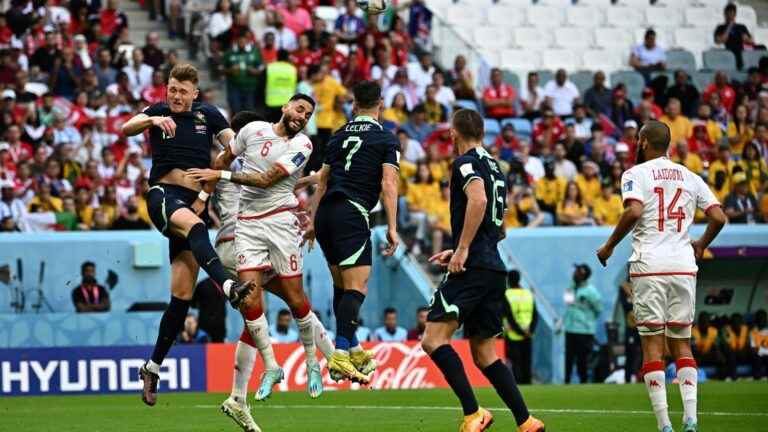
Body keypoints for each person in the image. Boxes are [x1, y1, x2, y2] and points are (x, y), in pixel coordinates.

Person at [121, 64, 253, 407]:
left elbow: (233, 147)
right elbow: (126, 128)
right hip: (163, 197)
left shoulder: (209, 115)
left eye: (182, 91)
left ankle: (151, 366)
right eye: (172, 89)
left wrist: (213, 186)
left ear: (196, 93)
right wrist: (150, 120)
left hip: (193, 204)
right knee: (197, 229)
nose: (175, 97)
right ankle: (228, 286)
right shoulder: (158, 111)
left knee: (181, 297)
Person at [187, 94, 327, 402]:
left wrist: (201, 197)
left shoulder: (295, 146)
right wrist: (206, 189)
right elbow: (246, 174)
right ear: (284, 107)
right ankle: (322, 357)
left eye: (307, 113)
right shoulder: (243, 157)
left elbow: (268, 180)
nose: (303, 115)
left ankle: (307, 363)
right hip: (240, 235)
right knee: (277, 304)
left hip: (258, 233)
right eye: (299, 108)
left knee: (267, 307)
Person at [597, 120, 728, 432]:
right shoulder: (690, 175)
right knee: (682, 343)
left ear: (642, 142)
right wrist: (700, 245)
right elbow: (719, 217)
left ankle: (665, 425)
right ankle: (692, 419)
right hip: (683, 266)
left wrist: (608, 246)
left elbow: (633, 211)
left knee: (652, 346)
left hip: (650, 266)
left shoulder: (635, 174)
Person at [422, 109, 544, 432]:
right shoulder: (497, 167)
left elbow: (477, 201)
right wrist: (466, 244)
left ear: (453, 132)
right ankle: (526, 421)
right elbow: (499, 228)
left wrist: (463, 248)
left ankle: (474, 412)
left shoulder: (465, 162)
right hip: (493, 266)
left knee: (433, 339)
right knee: (485, 353)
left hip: (474, 264)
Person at [303, 80, 400, 384]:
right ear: (379, 105)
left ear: (354, 105)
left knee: (342, 286)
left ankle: (353, 346)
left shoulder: (336, 136)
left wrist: (312, 220)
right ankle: (340, 353)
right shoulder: (385, 138)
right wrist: (393, 227)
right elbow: (388, 184)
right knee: (358, 287)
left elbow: (322, 182)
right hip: (352, 212)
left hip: (327, 215)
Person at [563, 264, 602, 384]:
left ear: (584, 275)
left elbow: (598, 309)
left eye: (578, 272)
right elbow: (568, 303)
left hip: (584, 331)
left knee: (582, 359)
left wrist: (587, 321)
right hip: (570, 328)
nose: (574, 273)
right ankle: (567, 381)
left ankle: (583, 382)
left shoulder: (591, 291)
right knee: (569, 357)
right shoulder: (570, 287)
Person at [503, 270, 536, 385]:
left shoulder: (507, 294)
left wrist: (520, 332)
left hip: (513, 335)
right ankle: (529, 384)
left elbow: (509, 316)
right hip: (528, 334)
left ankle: (519, 385)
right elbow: (535, 315)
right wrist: (530, 330)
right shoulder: (528, 293)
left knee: (515, 363)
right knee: (527, 362)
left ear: (508, 280)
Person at [714, 3, 754, 70]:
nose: (730, 17)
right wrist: (729, 27)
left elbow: (751, 41)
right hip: (728, 53)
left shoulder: (741, 27)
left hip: (741, 52)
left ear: (735, 15)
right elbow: (719, 41)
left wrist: (747, 39)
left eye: (732, 14)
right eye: (728, 14)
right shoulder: (720, 27)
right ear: (725, 14)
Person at [722, 313, 751, 380]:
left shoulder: (746, 329)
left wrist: (745, 349)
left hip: (744, 352)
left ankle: (757, 377)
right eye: (734, 322)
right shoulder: (726, 330)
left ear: (741, 322)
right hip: (731, 353)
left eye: (738, 322)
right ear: (731, 323)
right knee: (730, 355)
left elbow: (749, 343)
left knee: (755, 354)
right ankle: (734, 377)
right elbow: (726, 346)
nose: (736, 324)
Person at [751, 309, 768, 379]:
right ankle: (757, 379)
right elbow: (754, 348)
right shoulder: (753, 332)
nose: (761, 320)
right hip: (758, 354)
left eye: (763, 318)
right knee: (756, 357)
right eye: (759, 318)